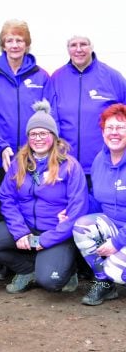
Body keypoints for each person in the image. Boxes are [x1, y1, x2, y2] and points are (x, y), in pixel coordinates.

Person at [0, 100, 88, 294]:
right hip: (27, 226)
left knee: (51, 282)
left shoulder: (70, 166)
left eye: (43, 133)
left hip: (55, 232)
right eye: (33, 134)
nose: (38, 138)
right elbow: (7, 198)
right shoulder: (19, 163)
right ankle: (27, 269)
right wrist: (19, 230)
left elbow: (78, 208)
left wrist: (49, 239)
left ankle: (68, 270)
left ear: (53, 136)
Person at [0, 19, 51, 280]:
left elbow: (48, 116)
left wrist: (40, 149)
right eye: (9, 40)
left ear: (27, 44)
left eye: (19, 40)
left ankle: (30, 259)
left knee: (30, 205)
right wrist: (0, 146)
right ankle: (5, 262)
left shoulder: (41, 76)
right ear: (3, 44)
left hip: (34, 157)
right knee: (1, 207)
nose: (14, 45)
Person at [47, 35, 126, 186]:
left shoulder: (112, 77)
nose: (78, 49)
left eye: (83, 44)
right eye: (73, 45)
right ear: (67, 49)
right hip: (65, 165)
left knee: (102, 208)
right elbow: (51, 117)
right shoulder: (57, 78)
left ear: (92, 47)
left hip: (105, 164)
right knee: (71, 209)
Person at [73, 103, 126, 305]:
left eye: (121, 128)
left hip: (122, 234)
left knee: (114, 269)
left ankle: (113, 272)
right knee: (82, 227)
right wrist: (72, 210)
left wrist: (116, 243)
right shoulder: (99, 161)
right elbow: (97, 200)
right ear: (103, 132)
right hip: (115, 225)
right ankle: (104, 283)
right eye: (109, 128)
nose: (114, 133)